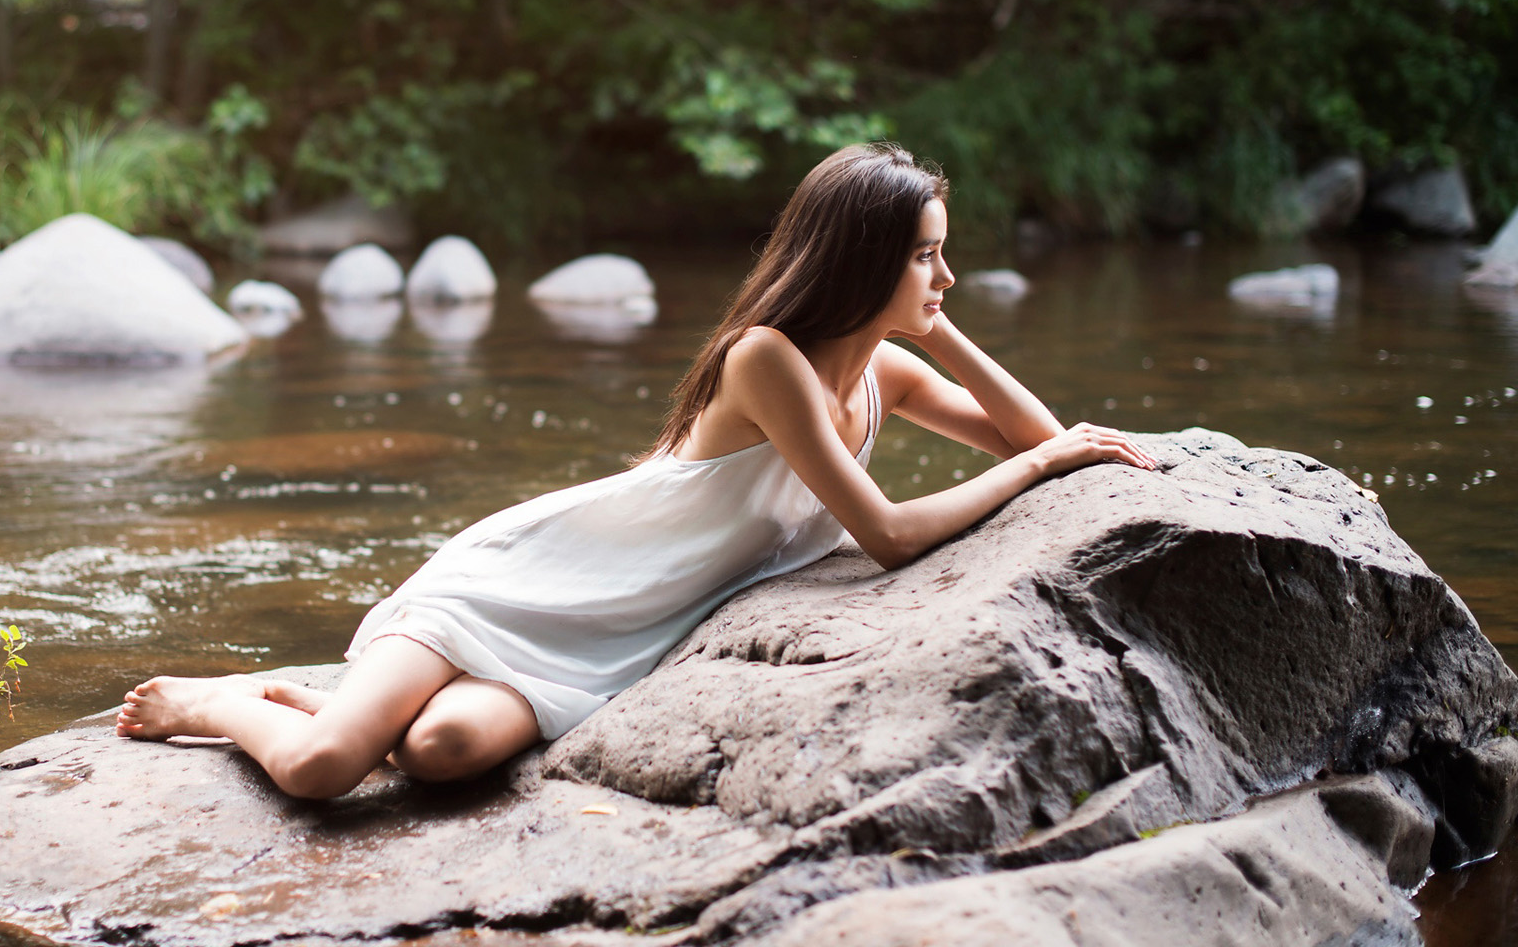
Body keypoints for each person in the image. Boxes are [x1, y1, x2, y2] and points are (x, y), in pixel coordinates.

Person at [116, 142, 1156, 798]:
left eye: (943, 253)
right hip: (527, 581)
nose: (946, 273)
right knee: (325, 771)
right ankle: (228, 703)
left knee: (437, 757)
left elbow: (1036, 437)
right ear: (861, 256)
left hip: (610, 639)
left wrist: (942, 329)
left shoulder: (883, 368)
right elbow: (890, 534)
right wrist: (1048, 458)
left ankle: (339, 698)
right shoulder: (767, 362)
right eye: (927, 254)